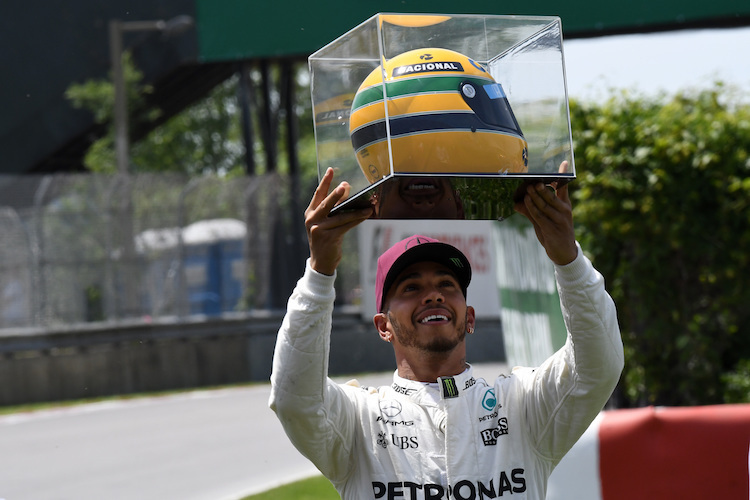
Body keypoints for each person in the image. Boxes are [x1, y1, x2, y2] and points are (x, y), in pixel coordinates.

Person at [269, 165, 624, 500]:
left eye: (446, 284)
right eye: (410, 287)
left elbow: (597, 367)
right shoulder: (359, 421)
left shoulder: (521, 405)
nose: (433, 294)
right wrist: (319, 274)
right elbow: (295, 399)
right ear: (384, 326)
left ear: (469, 318)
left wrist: (568, 260)